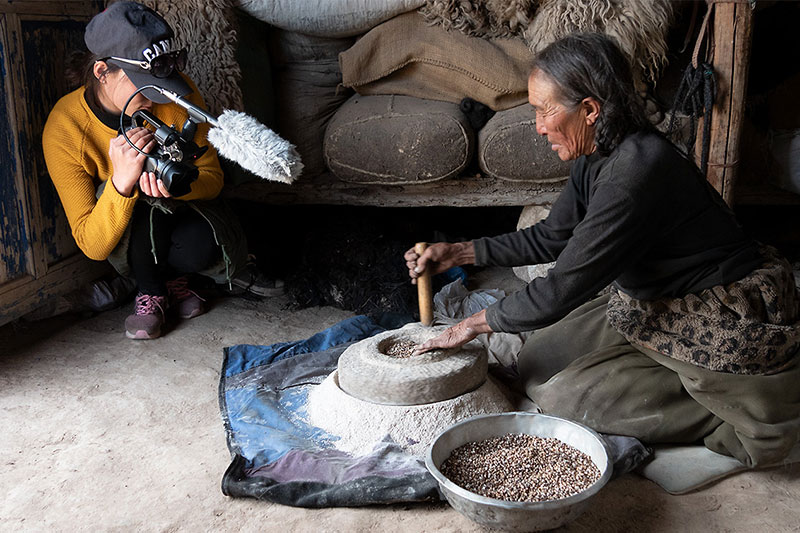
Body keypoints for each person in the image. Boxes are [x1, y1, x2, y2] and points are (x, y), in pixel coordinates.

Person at [405, 33, 800, 468]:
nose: (538, 126)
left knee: (563, 398)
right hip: (657, 298)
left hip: (717, 311)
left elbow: (560, 289)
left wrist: (470, 325)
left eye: (544, 110)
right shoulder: (597, 153)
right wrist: (458, 253)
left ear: (590, 110)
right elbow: (551, 237)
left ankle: (733, 404)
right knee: (534, 362)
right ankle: (662, 371)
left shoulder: (635, 173)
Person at [42, 1, 256, 340]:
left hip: (183, 218)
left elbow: (213, 179)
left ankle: (176, 280)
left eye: (160, 77)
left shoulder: (174, 94)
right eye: (142, 81)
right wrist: (122, 184)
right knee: (130, 191)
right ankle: (151, 289)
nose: (157, 92)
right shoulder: (65, 127)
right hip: (132, 237)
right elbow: (92, 245)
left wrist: (177, 186)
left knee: (203, 244)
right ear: (102, 72)